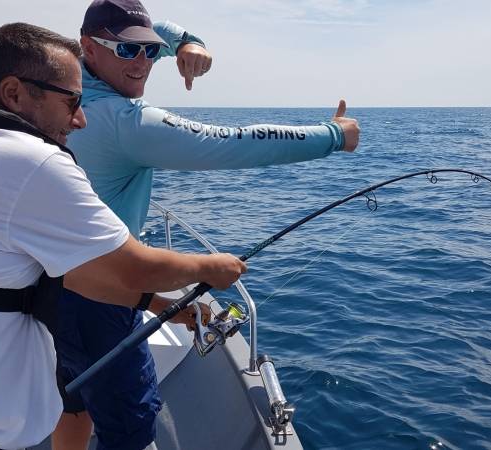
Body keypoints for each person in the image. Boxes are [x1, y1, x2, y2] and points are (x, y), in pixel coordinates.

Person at [0, 22, 246, 450]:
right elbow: (135, 271)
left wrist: (157, 306)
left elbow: (68, 272)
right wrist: (216, 267)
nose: (80, 120)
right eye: (72, 102)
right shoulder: (32, 160)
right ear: (13, 93)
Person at [53, 1, 362, 449]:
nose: (142, 63)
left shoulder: (69, 85)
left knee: (74, 402)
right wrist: (334, 135)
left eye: (149, 51)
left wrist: (186, 42)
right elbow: (234, 144)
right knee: (130, 429)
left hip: (56, 279)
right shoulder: (124, 123)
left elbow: (152, 32)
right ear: (90, 47)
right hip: (102, 301)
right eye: (127, 52)